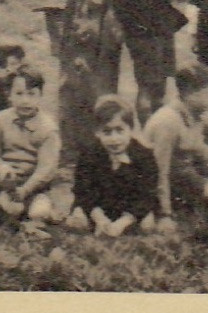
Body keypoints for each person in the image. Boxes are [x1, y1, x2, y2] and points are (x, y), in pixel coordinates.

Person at [143, 64, 208, 228]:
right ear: (188, 94)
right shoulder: (168, 121)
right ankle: (185, 215)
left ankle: (205, 217)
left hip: (189, 175)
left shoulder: (197, 114)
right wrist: (165, 214)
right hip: (173, 182)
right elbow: (159, 170)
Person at [66, 95, 159, 236]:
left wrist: (123, 222)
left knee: (147, 225)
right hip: (98, 207)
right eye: (107, 132)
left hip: (129, 210)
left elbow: (146, 196)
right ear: (97, 132)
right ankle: (96, 227)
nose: (114, 139)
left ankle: (127, 229)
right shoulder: (89, 154)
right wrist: (100, 218)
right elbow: (83, 191)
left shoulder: (143, 156)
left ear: (130, 129)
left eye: (120, 130)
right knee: (77, 222)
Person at [0, 66, 60, 228]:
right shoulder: (1, 119)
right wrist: (1, 167)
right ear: (9, 95)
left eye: (31, 94)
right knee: (4, 208)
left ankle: (38, 215)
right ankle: (11, 216)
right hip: (7, 182)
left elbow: (46, 168)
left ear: (40, 96)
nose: (25, 100)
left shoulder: (48, 128)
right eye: (19, 94)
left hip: (34, 186)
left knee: (38, 212)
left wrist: (26, 190)